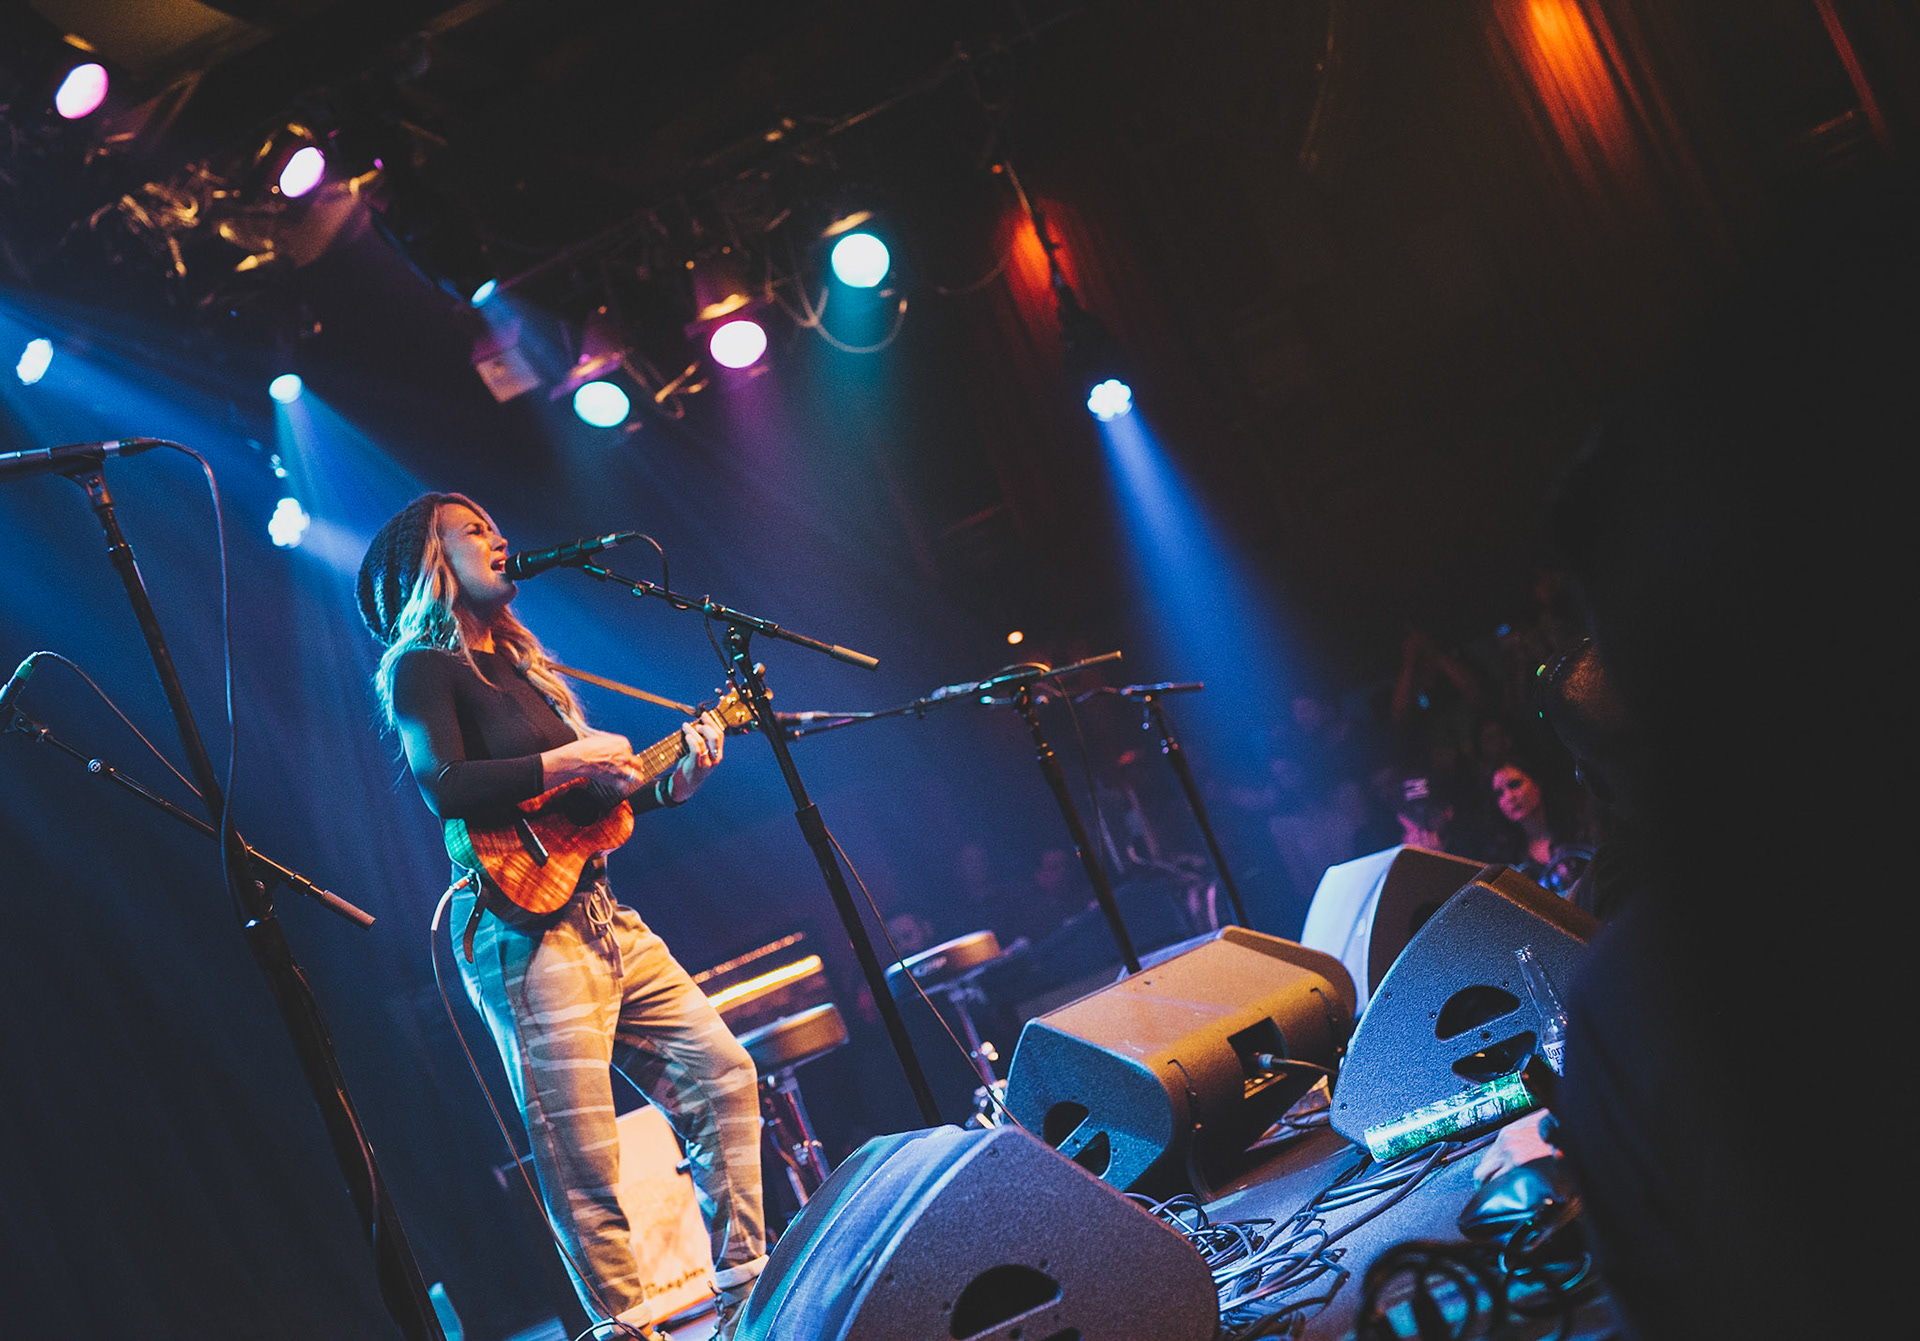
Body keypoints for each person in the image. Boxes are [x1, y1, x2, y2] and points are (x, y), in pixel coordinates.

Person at [357, 493, 765, 1341]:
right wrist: (571, 756)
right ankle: (629, 1331)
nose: (500, 537)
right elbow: (445, 785)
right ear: (432, 560)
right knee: (585, 1157)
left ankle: (748, 1299)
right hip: (522, 932)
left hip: (605, 913)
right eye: (474, 530)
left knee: (722, 1072)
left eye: (497, 525)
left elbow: (582, 813)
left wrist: (670, 783)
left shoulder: (525, 668)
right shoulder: (422, 667)